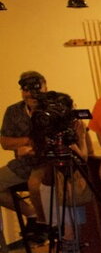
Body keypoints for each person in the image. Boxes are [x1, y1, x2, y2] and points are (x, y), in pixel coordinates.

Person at [1, 70, 49, 222]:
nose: (30, 94)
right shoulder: (13, 111)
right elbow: (5, 142)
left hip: (48, 163)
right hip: (22, 164)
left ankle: (45, 224)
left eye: (35, 88)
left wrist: (33, 146)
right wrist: (28, 141)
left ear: (44, 87)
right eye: (26, 90)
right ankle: (32, 215)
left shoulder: (53, 109)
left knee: (35, 186)